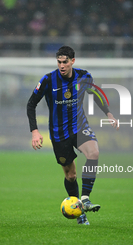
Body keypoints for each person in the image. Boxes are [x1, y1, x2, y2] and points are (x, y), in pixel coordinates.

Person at [27, 46, 119, 225]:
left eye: (65, 62)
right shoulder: (48, 80)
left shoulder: (83, 76)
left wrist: (108, 113)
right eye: (59, 62)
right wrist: (35, 131)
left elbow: (97, 94)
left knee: (93, 153)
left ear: (72, 61)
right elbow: (31, 104)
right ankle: (79, 212)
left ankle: (85, 198)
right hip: (59, 134)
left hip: (79, 127)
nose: (62, 65)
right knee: (71, 176)